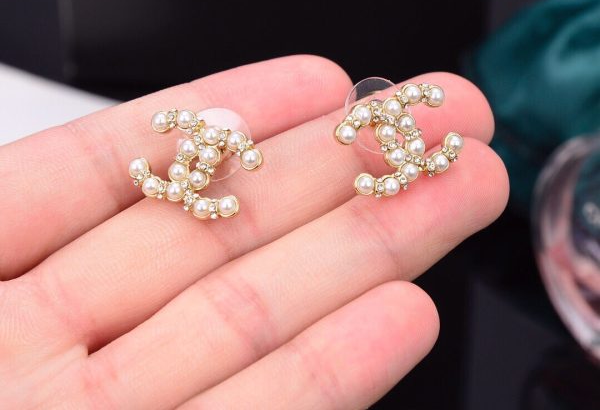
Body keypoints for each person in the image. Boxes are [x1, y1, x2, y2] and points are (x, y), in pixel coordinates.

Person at [0, 55, 508, 408]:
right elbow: (185, 130)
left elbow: (227, 146)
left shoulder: (234, 147)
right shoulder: (204, 144)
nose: (211, 150)